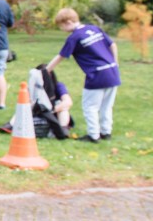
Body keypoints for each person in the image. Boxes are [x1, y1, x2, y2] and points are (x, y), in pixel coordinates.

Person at [46, 7, 121, 143]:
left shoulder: (74, 37)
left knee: (90, 106)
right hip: (112, 71)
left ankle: (93, 135)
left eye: (61, 26)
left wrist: (46, 70)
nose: (61, 29)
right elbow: (113, 45)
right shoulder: (94, 29)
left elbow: (61, 56)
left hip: (96, 75)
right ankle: (106, 132)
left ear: (68, 22)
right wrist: (115, 63)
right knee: (106, 105)